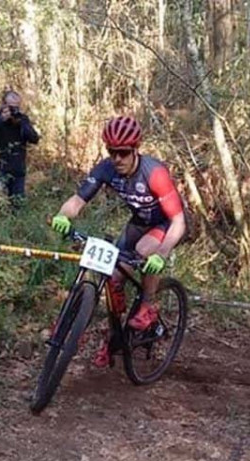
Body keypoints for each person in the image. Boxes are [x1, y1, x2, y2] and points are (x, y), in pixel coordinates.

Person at [50, 116, 186, 368]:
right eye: (112, 152)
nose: (117, 159)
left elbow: (178, 221)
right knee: (112, 277)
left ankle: (147, 306)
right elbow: (77, 201)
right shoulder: (106, 168)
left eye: (123, 153)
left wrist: (162, 254)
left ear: (135, 150)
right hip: (138, 223)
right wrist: (62, 215)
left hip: (166, 224)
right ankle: (114, 338)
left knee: (145, 251)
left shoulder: (154, 173)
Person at [0, 90, 40, 207]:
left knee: (17, 205)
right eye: (11, 107)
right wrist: (1, 120)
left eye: (16, 107)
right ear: (4, 104)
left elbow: (34, 139)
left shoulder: (22, 119)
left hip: (18, 169)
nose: (14, 110)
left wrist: (22, 124)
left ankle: (17, 225)